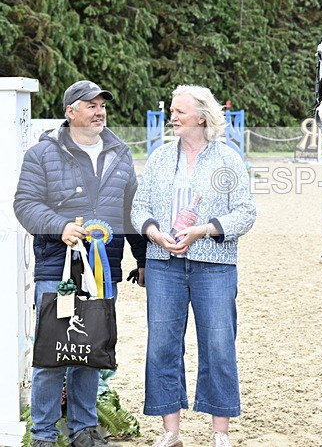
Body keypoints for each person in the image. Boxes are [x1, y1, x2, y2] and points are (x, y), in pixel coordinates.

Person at [14, 80, 146, 447]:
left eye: (103, 104)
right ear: (70, 111)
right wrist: (60, 227)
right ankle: (42, 433)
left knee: (91, 351)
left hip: (104, 271)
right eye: (90, 105)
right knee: (52, 354)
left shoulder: (120, 154)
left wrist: (143, 258)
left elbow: (130, 211)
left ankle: (84, 429)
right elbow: (24, 205)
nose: (99, 110)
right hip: (58, 269)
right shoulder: (41, 154)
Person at [131, 85, 257, 447]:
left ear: (201, 116)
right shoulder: (158, 158)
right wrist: (154, 233)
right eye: (171, 111)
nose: (172, 117)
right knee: (162, 345)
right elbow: (139, 208)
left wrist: (205, 229)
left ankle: (220, 433)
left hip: (214, 265)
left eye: (179, 112)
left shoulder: (229, 159)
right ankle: (171, 431)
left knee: (218, 344)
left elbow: (246, 213)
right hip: (163, 264)